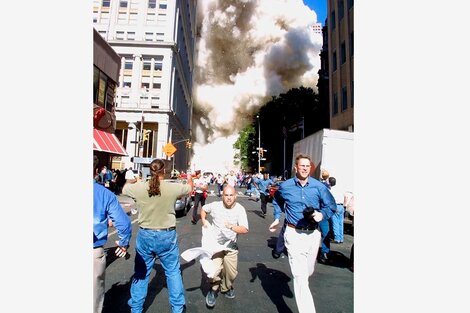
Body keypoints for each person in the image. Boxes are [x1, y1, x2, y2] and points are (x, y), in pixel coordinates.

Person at [122, 159, 193, 313]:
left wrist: (134, 179)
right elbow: (189, 189)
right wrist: (189, 177)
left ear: (150, 171)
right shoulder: (172, 188)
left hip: (146, 234)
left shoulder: (139, 188)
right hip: (166, 235)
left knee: (141, 273)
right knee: (173, 272)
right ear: (164, 172)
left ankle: (136, 308)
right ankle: (177, 308)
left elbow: (125, 189)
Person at [269, 153, 336, 313]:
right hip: (293, 234)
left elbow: (331, 205)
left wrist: (322, 215)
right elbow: (277, 199)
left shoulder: (319, 187)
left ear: (310, 168)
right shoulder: (285, 186)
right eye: (302, 166)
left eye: (307, 166)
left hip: (313, 235)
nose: (305, 168)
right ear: (296, 168)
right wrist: (277, 217)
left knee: (307, 272)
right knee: (300, 278)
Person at [93, 156, 132, 313]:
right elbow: (123, 223)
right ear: (96, 171)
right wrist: (123, 242)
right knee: (92, 301)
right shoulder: (104, 194)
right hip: (93, 251)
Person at [200, 185, 249, 308]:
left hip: (230, 246)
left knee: (231, 274)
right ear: (222, 196)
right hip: (215, 246)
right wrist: (204, 221)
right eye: (226, 195)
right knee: (213, 271)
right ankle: (213, 289)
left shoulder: (240, 209)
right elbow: (204, 209)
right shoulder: (215, 205)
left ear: (235, 196)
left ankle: (226, 287)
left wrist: (231, 226)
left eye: (231, 195)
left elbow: (244, 229)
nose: (228, 198)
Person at [328, 177, 345, 244]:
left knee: (335, 222)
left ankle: (337, 238)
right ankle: (341, 238)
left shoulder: (331, 190)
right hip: (341, 206)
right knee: (341, 223)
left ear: (329, 183)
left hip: (336, 206)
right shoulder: (340, 189)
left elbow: (330, 200)